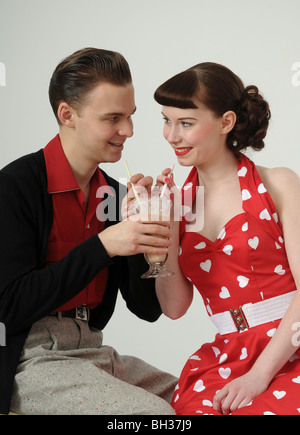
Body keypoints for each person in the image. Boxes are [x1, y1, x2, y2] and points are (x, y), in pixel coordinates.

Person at [0, 47, 178, 415]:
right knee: (152, 417)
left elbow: (147, 310)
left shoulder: (113, 194)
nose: (127, 130)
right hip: (28, 359)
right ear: (68, 115)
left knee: (199, 398)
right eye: (113, 118)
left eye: (130, 116)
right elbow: (10, 306)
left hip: (92, 349)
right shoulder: (15, 185)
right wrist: (103, 245)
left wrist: (145, 234)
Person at [153, 62, 300, 415]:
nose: (172, 136)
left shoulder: (277, 184)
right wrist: (162, 238)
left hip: (289, 347)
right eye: (166, 120)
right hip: (227, 357)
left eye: (185, 123)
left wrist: (259, 376)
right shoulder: (180, 206)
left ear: (226, 122)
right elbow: (174, 308)